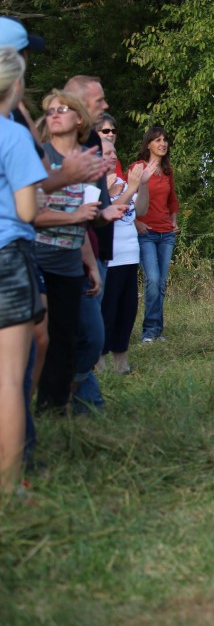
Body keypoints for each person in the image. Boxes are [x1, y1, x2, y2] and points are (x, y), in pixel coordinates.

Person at [33, 91, 126, 412]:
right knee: (46, 341)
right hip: (38, 260)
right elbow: (29, 214)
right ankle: (43, 408)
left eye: (63, 109)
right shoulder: (40, 155)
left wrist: (91, 260)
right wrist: (76, 216)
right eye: (50, 110)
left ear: (78, 118)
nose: (55, 114)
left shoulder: (90, 158)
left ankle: (60, 401)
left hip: (73, 262)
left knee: (90, 339)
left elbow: (85, 217)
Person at [0, 47, 47, 496]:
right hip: (6, 257)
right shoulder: (13, 136)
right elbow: (28, 210)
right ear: (16, 87)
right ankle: (9, 487)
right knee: (9, 380)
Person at [100, 147, 152, 375]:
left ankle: (121, 364)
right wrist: (131, 188)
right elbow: (106, 217)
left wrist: (143, 185)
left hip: (129, 257)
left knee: (127, 312)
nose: (113, 156)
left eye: (114, 152)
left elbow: (141, 210)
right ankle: (99, 366)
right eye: (106, 153)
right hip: (107, 260)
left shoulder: (123, 183)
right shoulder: (93, 185)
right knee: (106, 313)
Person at [131, 126, 180, 343]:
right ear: (148, 144)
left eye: (165, 140)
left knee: (160, 283)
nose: (163, 143)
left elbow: (173, 201)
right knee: (152, 279)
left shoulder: (168, 171)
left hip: (166, 234)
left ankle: (157, 331)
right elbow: (125, 197)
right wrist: (135, 222)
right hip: (146, 234)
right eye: (157, 140)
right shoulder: (137, 168)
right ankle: (149, 332)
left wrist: (174, 221)